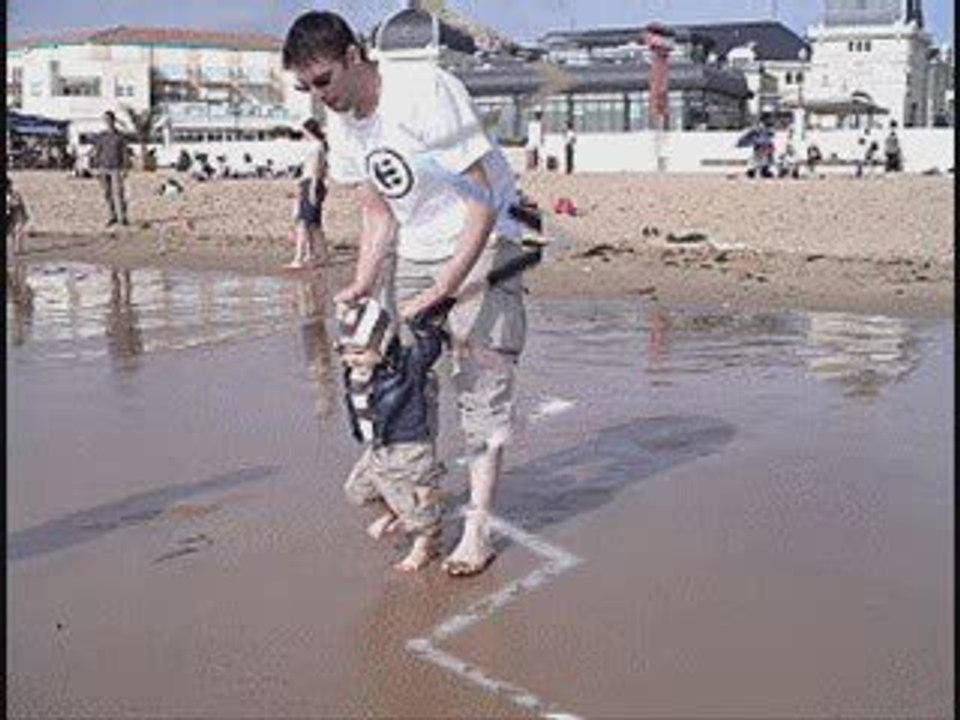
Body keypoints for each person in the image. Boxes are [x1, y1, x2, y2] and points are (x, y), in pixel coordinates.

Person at [283, 10, 527, 575]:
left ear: (353, 58)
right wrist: (363, 282)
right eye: (306, 88)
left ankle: (478, 529)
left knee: (481, 385)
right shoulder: (341, 123)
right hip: (417, 247)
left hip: (487, 238)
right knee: (405, 384)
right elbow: (376, 214)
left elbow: (482, 198)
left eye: (323, 81)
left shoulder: (425, 91)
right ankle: (418, 505)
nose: (320, 97)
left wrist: (447, 286)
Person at [287, 118, 329, 269]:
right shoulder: (317, 146)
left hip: (311, 183)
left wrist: (312, 190)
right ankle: (313, 255)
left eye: (304, 130)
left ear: (308, 130)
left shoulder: (316, 146)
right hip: (310, 183)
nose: (302, 133)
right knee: (312, 223)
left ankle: (299, 259)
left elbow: (317, 170)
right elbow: (321, 170)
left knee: (303, 222)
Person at [91, 110, 129, 226]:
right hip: (103, 168)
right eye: (105, 119)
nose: (107, 121)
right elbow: (97, 152)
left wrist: (125, 168)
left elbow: (124, 153)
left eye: (109, 119)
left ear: (113, 120)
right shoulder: (101, 136)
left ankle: (123, 217)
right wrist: (95, 167)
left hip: (117, 168)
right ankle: (112, 216)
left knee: (119, 193)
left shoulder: (120, 136)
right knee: (107, 194)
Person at [6, 175, 30, 255]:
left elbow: (21, 204)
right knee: (11, 232)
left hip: (16, 213)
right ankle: (14, 249)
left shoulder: (15, 193)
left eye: (9, 185)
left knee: (17, 231)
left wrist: (25, 214)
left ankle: (17, 249)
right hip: (8, 214)